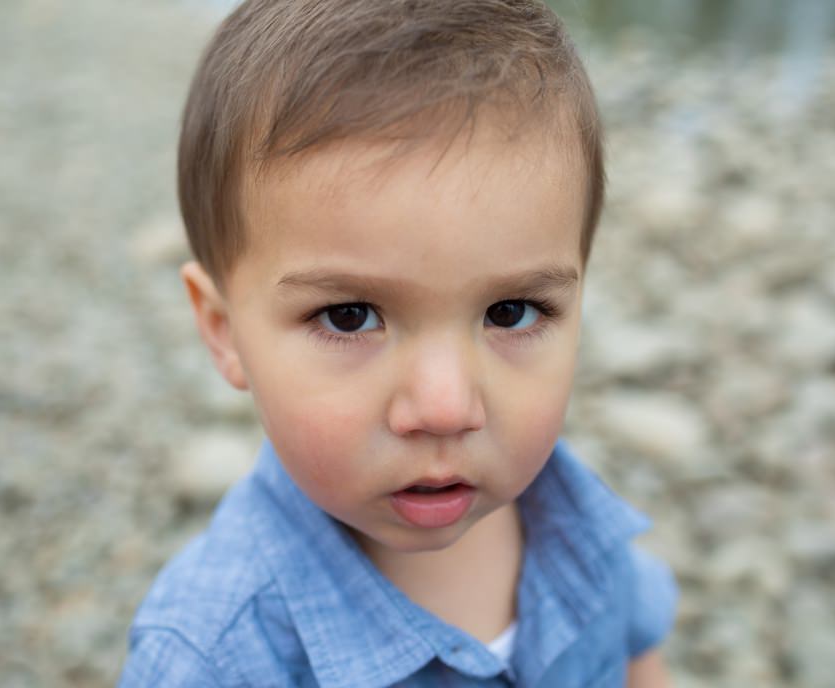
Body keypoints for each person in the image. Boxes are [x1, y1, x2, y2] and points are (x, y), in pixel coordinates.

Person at [121, 1, 677, 685]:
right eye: (350, 317)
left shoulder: (580, 525)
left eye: (510, 312)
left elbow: (636, 662)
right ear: (223, 329)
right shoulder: (217, 658)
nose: (445, 408)